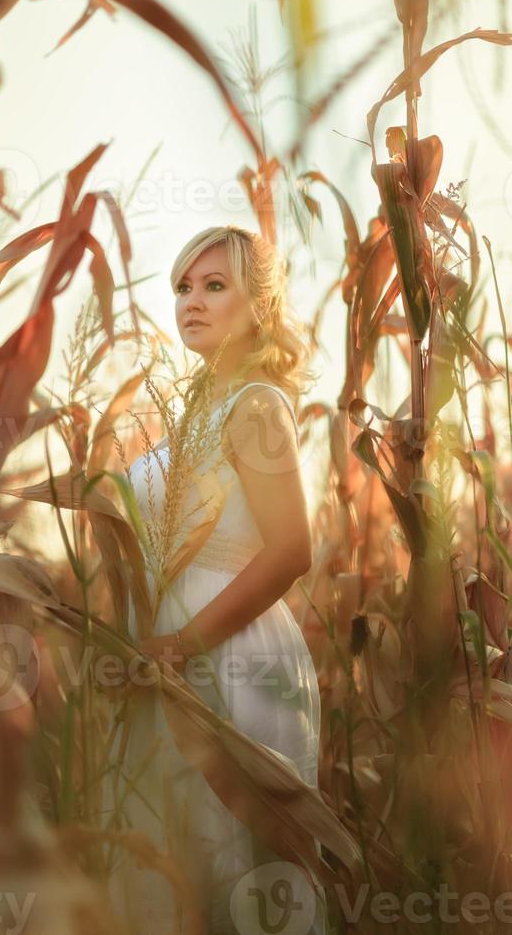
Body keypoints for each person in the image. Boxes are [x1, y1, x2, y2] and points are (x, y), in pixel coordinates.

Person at [103, 226, 324, 934]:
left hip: (232, 662)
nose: (191, 301)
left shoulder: (255, 405)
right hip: (162, 661)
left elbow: (292, 549)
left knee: (241, 875)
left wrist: (183, 645)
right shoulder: (190, 414)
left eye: (215, 285)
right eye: (182, 287)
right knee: (172, 872)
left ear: (257, 305)